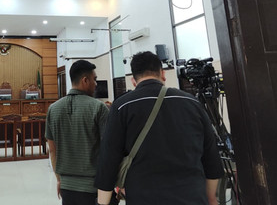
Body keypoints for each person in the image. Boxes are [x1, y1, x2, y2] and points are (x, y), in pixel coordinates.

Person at [95, 51, 224, 205]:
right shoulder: (192, 103)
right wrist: (211, 198)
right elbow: (211, 156)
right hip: (191, 195)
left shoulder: (122, 106)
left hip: (144, 197)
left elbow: (109, 158)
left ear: (133, 81)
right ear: (163, 74)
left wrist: (103, 202)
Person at [45, 60, 115, 205]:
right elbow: (109, 150)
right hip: (94, 187)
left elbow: (52, 149)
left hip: (66, 187)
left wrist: (59, 179)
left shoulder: (53, 109)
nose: (96, 84)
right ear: (85, 80)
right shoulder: (99, 108)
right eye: (94, 79)